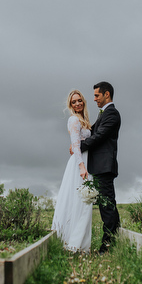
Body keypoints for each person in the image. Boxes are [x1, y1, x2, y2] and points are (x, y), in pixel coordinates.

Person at [80, 81, 121, 254]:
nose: (94, 99)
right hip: (99, 167)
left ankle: (107, 248)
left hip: (104, 167)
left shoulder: (112, 114)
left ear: (107, 95)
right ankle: (114, 241)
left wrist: (79, 146)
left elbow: (99, 136)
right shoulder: (103, 114)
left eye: (97, 95)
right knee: (107, 205)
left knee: (107, 206)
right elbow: (93, 131)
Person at [51, 89, 94, 252]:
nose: (77, 104)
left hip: (86, 160)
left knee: (83, 203)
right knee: (80, 201)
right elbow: (75, 145)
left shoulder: (84, 120)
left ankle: (81, 242)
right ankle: (71, 241)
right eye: (74, 102)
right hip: (79, 164)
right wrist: (81, 167)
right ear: (70, 105)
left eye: (79, 100)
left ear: (83, 101)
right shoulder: (74, 120)